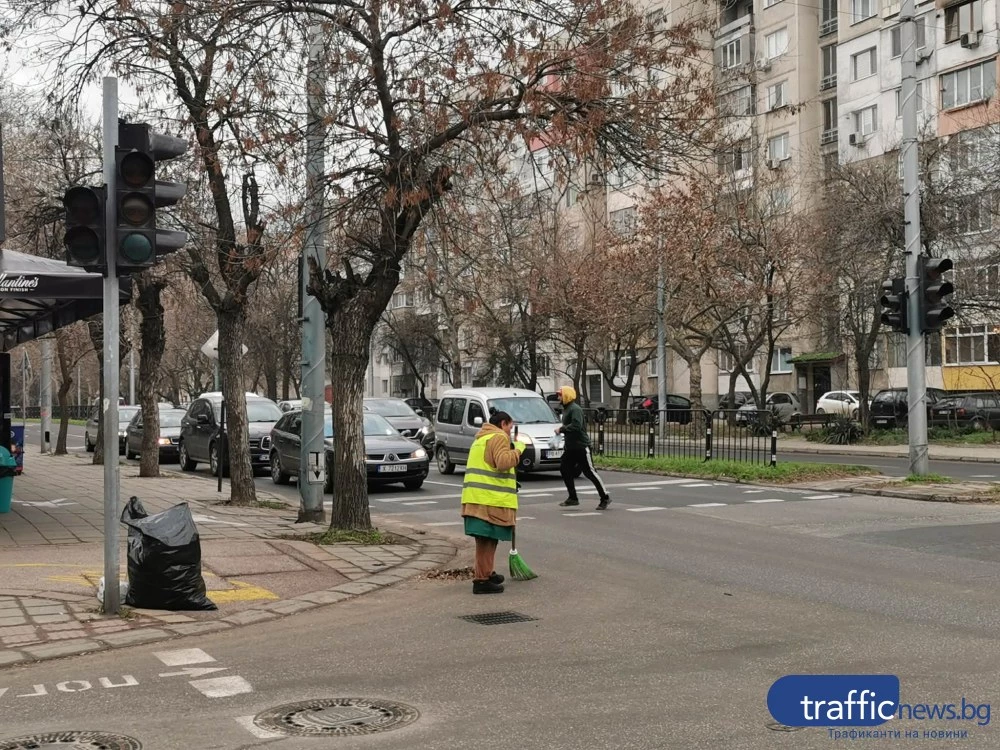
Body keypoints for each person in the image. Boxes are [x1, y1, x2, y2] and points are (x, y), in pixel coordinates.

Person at [460, 410, 525, 594]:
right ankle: (481, 581)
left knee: (487, 537)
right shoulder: (498, 437)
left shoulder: (482, 438)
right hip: (488, 499)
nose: (510, 433)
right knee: (486, 540)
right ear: (503, 424)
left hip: (477, 497)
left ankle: (487, 573)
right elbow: (503, 462)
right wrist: (518, 449)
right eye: (510, 428)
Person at [554, 386, 610, 510]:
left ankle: (604, 497)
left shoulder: (575, 409)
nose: (558, 397)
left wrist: (562, 429)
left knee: (590, 472)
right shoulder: (567, 409)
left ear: (567, 396)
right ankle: (573, 498)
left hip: (581, 447)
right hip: (570, 447)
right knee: (564, 468)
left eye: (560, 395)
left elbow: (577, 426)